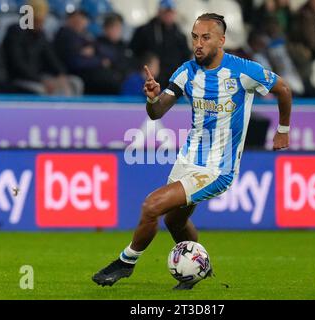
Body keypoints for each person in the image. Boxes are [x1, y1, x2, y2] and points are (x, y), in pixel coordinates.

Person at [92, 13, 292, 290]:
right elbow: (157, 112)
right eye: (195, 37)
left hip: (217, 168)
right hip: (188, 160)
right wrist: (151, 99)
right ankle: (199, 269)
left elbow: (283, 89)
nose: (198, 43)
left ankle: (126, 262)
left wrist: (283, 129)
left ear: (221, 40)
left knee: (152, 205)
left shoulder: (243, 71)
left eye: (206, 38)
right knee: (175, 221)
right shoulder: (186, 72)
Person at [3, 0, 83, 96]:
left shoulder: (41, 35)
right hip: (19, 78)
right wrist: (41, 80)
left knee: (75, 82)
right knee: (40, 89)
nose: (41, 23)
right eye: (37, 20)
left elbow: (51, 58)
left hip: (39, 76)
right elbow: (17, 64)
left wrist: (61, 74)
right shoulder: (15, 33)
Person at [54, 9, 119, 95]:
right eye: (79, 18)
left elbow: (110, 54)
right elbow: (75, 62)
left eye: (84, 19)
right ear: (71, 19)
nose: (82, 22)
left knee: (115, 77)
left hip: (89, 71)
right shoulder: (66, 35)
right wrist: (100, 62)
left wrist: (94, 50)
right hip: (76, 74)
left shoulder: (84, 36)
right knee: (110, 81)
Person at [129, 0, 190, 88]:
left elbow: (185, 59)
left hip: (172, 84)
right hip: (149, 83)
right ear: (159, 12)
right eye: (165, 12)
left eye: (171, 12)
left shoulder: (180, 36)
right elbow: (134, 54)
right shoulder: (144, 32)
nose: (168, 15)